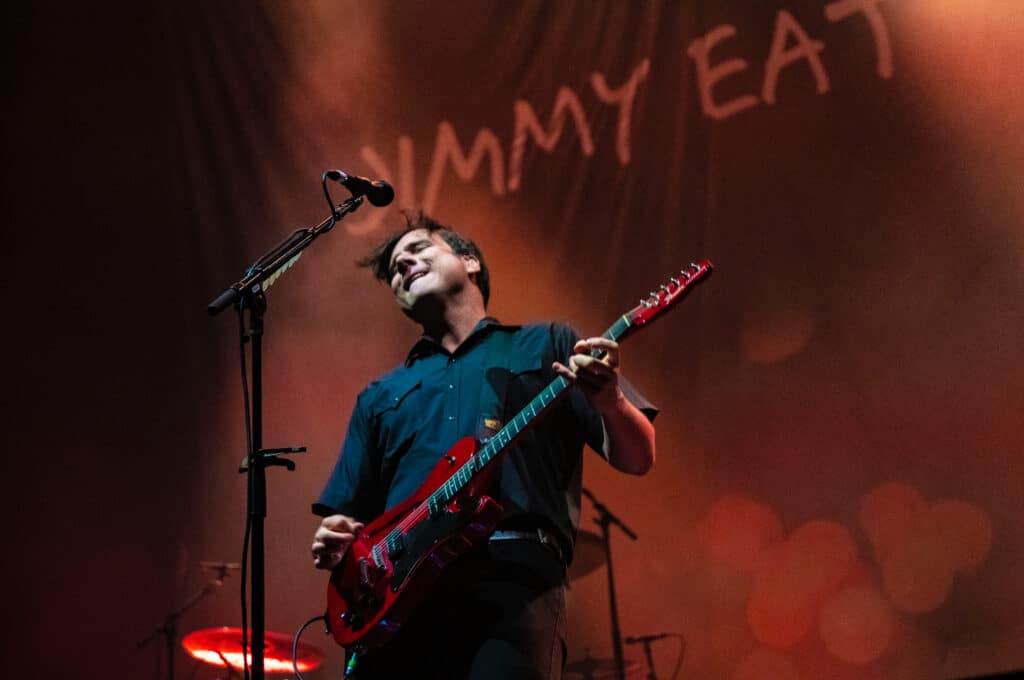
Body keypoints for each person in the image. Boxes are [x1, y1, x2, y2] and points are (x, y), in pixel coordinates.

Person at [311, 211, 657, 679]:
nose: (404, 265)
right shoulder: (379, 396)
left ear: (470, 262)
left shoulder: (547, 344)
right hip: (401, 601)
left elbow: (639, 457)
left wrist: (610, 398)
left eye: (418, 249)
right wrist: (338, 540)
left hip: (512, 578)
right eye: (395, 267)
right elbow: (352, 521)